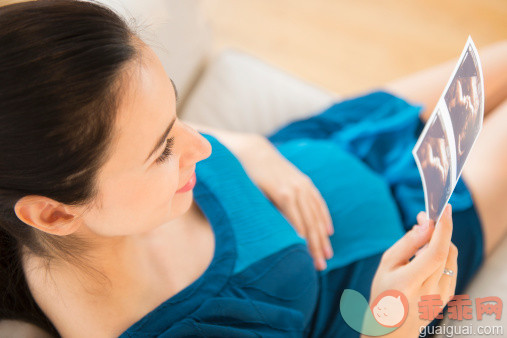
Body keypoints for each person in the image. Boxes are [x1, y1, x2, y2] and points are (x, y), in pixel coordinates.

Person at [1, 1, 507, 337]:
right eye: (161, 151)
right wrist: (385, 322)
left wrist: (253, 149)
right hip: (410, 228)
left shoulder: (68, 167)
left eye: (175, 114)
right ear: (53, 215)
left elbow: (150, 130)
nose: (201, 145)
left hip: (330, 138)